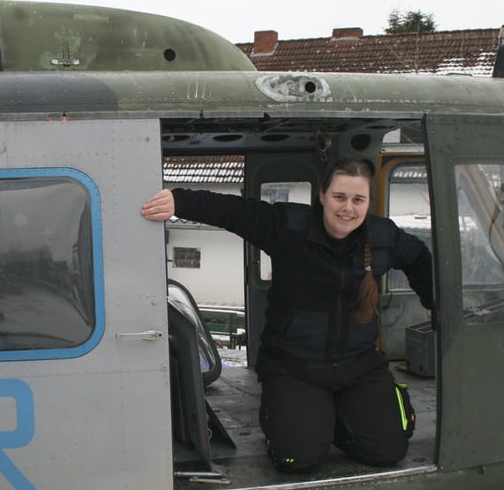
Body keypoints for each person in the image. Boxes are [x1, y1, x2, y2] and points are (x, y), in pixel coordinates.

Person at [141, 158, 433, 473]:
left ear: (367, 203)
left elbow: (419, 258)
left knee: (387, 451)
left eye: (358, 200)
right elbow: (234, 211)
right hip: (295, 366)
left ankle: (335, 420)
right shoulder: (289, 226)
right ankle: (298, 423)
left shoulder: (383, 237)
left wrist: (436, 303)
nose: (347, 208)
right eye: (339, 197)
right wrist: (179, 200)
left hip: (359, 366)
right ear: (322, 195)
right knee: (298, 459)